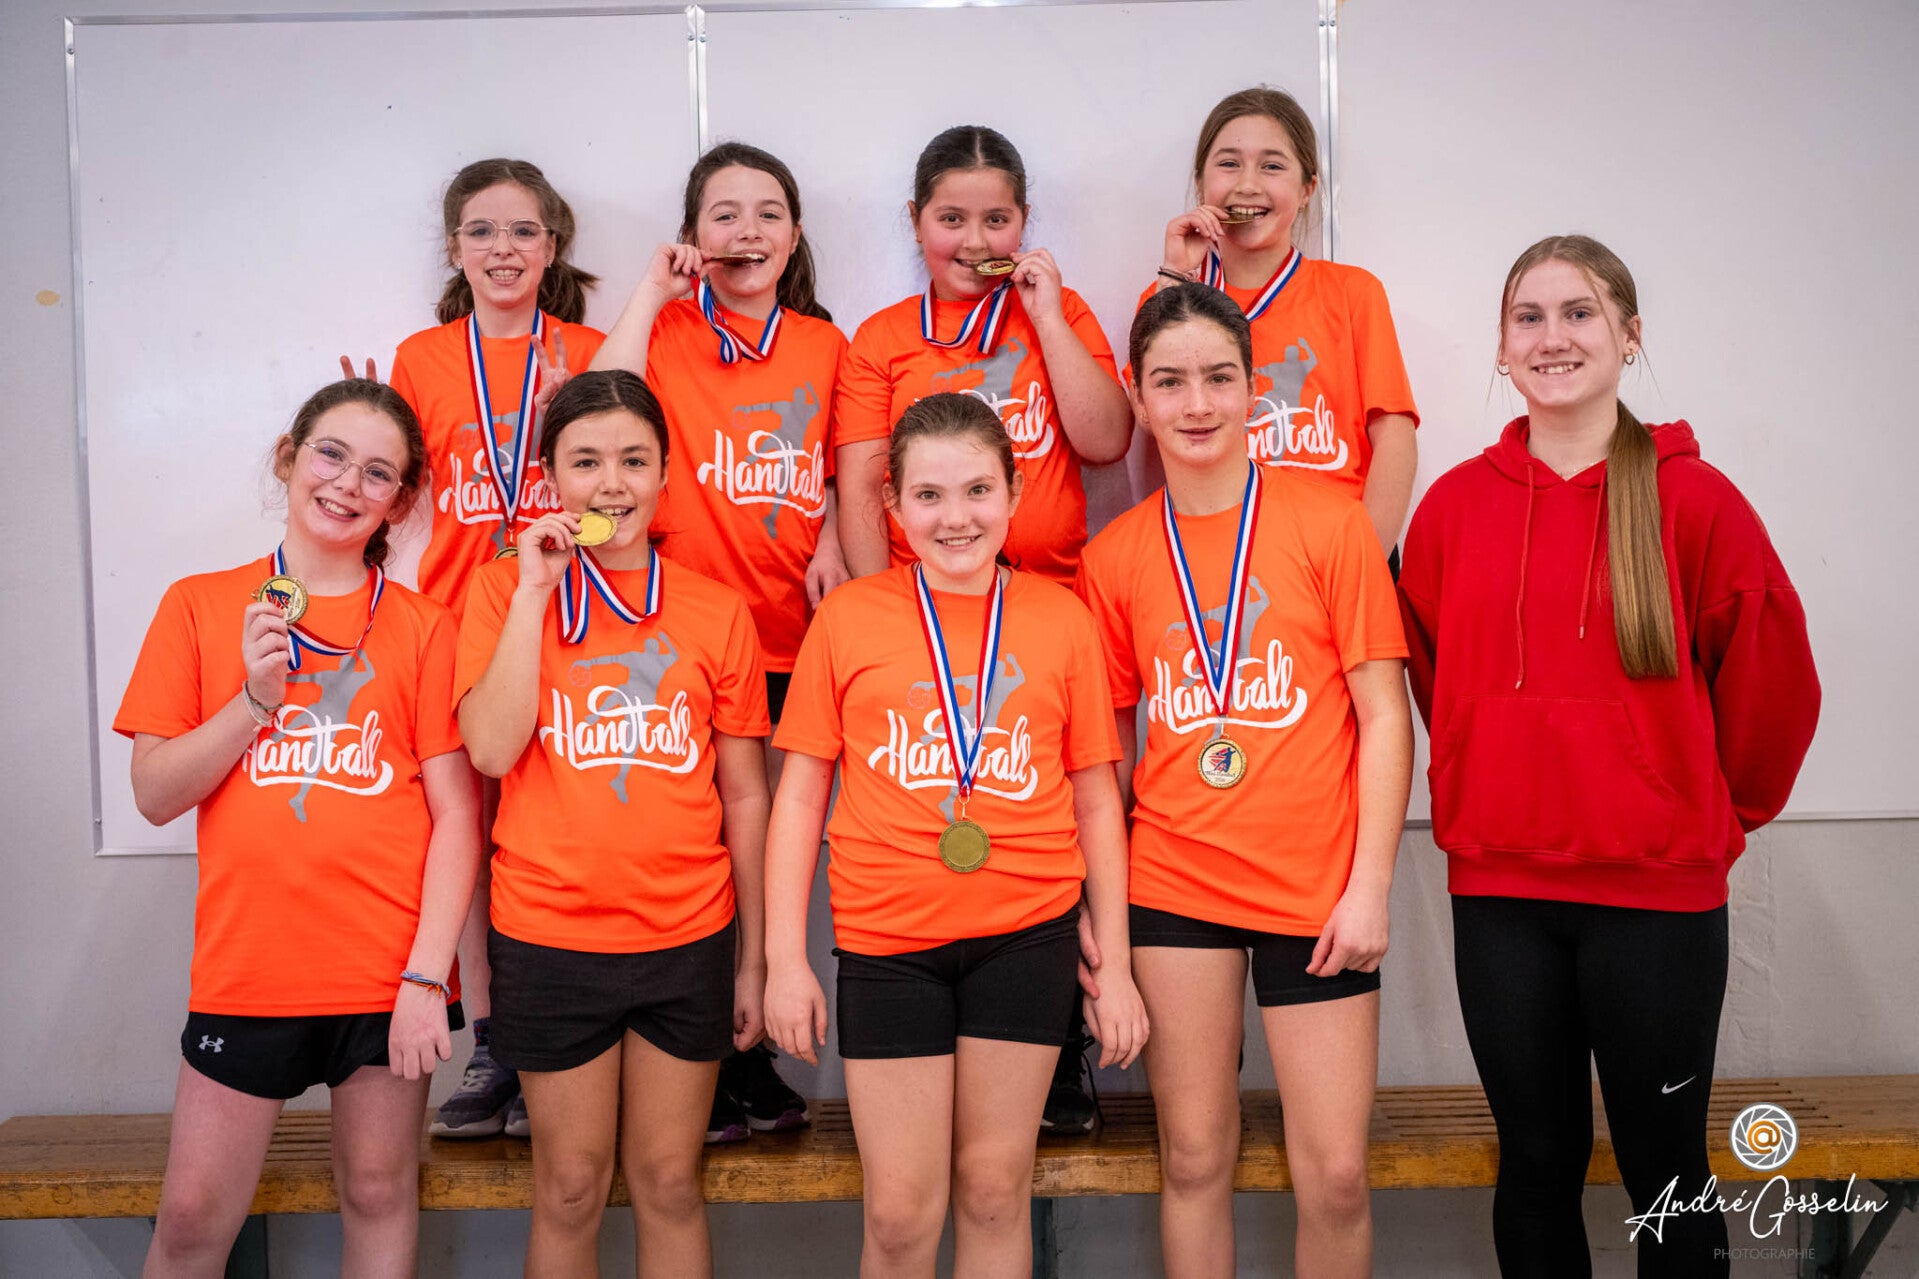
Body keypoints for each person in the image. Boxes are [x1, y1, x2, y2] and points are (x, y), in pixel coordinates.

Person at [1396, 234, 1821, 1277]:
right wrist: (1484, 779)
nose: (1553, 337)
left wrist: (1696, 813)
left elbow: (1771, 688)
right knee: (1535, 1162)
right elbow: (1433, 678)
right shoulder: (1450, 509)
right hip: (1500, 899)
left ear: (1629, 336)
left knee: (1663, 1170)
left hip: (1656, 904)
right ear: (1501, 347)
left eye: (1578, 312)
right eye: (1528, 317)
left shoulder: (1697, 501)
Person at [764, 392, 1148, 1277]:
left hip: (1027, 940)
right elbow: (798, 799)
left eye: (977, 489)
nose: (955, 517)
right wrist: (785, 959)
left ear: (1014, 493)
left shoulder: (1062, 618)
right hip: (888, 946)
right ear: (892, 505)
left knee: (992, 1191)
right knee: (900, 1213)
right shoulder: (849, 618)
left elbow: (1096, 800)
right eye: (928, 495)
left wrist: (1119, 965)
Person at [1077, 283, 1412, 1278]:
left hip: (1318, 893)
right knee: (1191, 1159)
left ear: (1254, 387)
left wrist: (1369, 886)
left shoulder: (1331, 523)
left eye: (1218, 377)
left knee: (1336, 1174)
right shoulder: (1114, 556)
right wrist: (1102, 925)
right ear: (1137, 395)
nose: (1195, 403)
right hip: (1174, 886)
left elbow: (1384, 715)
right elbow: (1104, 763)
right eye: (1169, 381)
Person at [122, 379, 479, 1278]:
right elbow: (155, 794)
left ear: (400, 500)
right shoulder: (199, 605)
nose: (348, 483)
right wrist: (252, 701)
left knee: (379, 1192)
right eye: (331, 454)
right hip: (250, 970)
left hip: (388, 977)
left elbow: (456, 815)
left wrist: (426, 976)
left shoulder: (425, 627)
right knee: (193, 1219)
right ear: (289, 458)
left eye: (378, 472)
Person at [454, 369, 769, 1276]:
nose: (612, 483)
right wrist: (532, 592)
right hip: (549, 937)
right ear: (549, 478)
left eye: (634, 459)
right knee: (568, 1185)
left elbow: (745, 795)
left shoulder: (716, 609)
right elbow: (490, 750)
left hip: (687, 937)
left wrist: (752, 955)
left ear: (666, 471)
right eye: (585, 461)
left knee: (669, 1180)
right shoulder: (500, 593)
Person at [590, 142, 849, 1141]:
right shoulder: (662, 332)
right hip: (676, 644)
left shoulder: (823, 343)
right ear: (694, 235)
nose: (747, 232)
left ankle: (746, 1049)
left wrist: (831, 532)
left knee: (767, 856)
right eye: (724, 215)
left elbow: (845, 468)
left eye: (767, 213)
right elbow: (591, 411)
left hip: (787, 641)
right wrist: (652, 292)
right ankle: (704, 1055)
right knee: (698, 850)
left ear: (794, 234)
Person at [386, 157, 607, 1140]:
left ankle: (556, 1031)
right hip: (453, 622)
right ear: (454, 248)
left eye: (523, 231)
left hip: (563, 615)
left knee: (550, 827)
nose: (503, 249)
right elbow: (402, 489)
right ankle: (493, 1042)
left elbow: (624, 480)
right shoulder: (421, 356)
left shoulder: (590, 349)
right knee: (467, 836)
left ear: (552, 247)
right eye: (482, 230)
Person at [836, 125, 1132, 584]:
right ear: (916, 221)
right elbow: (863, 491)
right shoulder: (879, 339)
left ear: (1023, 220)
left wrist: (1047, 320)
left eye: (996, 220)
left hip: (1051, 592)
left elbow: (1107, 443)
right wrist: (878, 603)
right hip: (920, 598)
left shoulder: (1062, 311)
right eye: (951, 219)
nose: (975, 242)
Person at [1151, 86, 1417, 557]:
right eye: (1229, 163)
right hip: (1215, 561)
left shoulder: (1353, 292)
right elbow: (1148, 419)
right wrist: (1175, 275)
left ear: (1307, 188)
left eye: (1272, 166)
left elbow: (1395, 441)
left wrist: (1364, 565)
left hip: (1337, 556)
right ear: (1200, 182)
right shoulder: (1171, 298)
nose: (1248, 185)